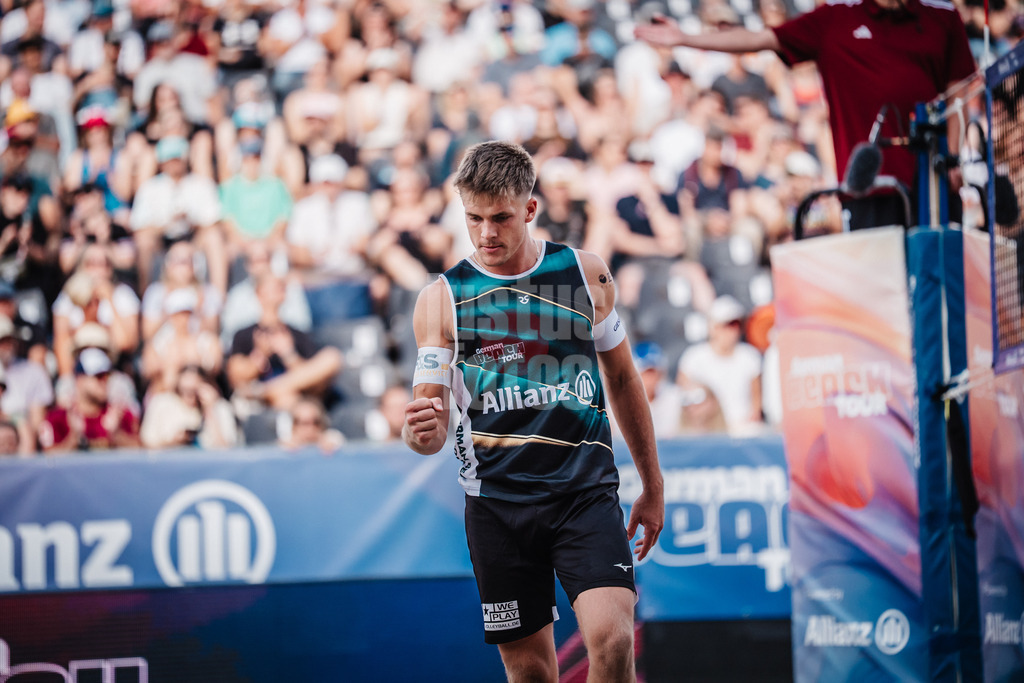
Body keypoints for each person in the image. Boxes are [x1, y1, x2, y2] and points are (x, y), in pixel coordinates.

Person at [402, 141, 663, 682]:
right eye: (473, 219)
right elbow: (427, 426)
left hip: (584, 496)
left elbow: (621, 378)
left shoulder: (586, 275)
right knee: (530, 674)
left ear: (529, 209)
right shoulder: (443, 298)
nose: (486, 234)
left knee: (612, 642)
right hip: (498, 506)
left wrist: (653, 485)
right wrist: (419, 432)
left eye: (499, 218)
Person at [636, 0, 977, 229]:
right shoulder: (835, 19)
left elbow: (959, 93)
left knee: (941, 291)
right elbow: (759, 38)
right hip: (868, 190)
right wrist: (684, 37)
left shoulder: (942, 16)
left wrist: (953, 159)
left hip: (933, 186)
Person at [676, 295, 763, 436]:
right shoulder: (693, 358)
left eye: (737, 324)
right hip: (705, 428)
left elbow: (756, 403)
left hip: (741, 429)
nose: (733, 331)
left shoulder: (750, 357)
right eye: (728, 325)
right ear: (713, 328)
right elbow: (683, 397)